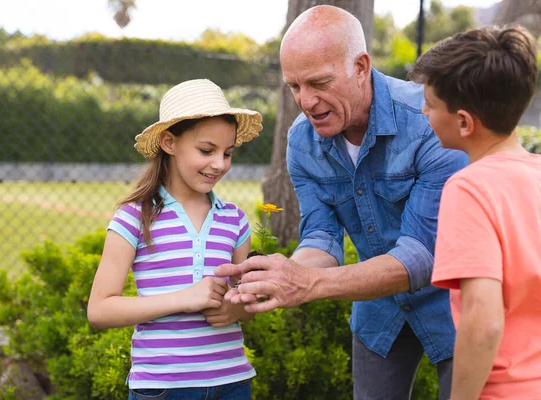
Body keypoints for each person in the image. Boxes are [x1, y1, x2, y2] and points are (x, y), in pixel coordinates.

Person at [215, 5, 469, 400]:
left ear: (361, 67)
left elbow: (420, 255)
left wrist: (310, 283)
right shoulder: (302, 141)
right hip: (378, 310)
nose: (306, 101)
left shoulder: (430, 122)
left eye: (319, 82)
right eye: (294, 86)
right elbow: (321, 236)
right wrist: (278, 279)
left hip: (455, 304)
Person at [87, 79, 263, 400]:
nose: (219, 164)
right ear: (169, 143)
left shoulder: (235, 219)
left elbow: (246, 302)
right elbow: (100, 310)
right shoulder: (135, 217)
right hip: (163, 388)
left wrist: (238, 310)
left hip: (233, 383)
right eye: (206, 150)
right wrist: (185, 298)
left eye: (228, 153)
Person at [407, 25, 541, 399]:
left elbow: (483, 322)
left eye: (431, 105)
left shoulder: (469, 188)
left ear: (464, 122)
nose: (424, 111)